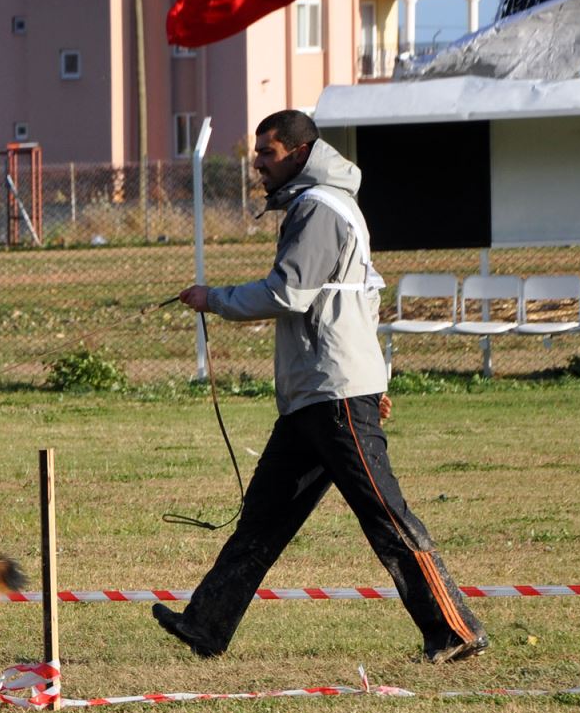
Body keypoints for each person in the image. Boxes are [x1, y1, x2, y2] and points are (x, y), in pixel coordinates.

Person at [152, 109, 488, 664]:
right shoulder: (315, 205)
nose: (257, 163)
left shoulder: (319, 209)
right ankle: (206, 624)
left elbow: (289, 294)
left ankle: (455, 628)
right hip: (313, 396)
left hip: (335, 396)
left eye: (268, 153)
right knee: (262, 517)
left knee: (386, 515)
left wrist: (214, 298)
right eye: (257, 153)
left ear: (301, 153)